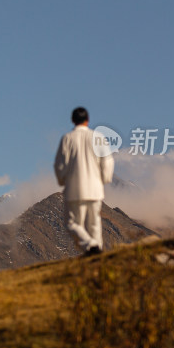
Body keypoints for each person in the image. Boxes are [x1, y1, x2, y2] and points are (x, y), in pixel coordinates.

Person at [54, 107, 114, 256]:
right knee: (94, 223)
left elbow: (59, 165)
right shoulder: (98, 137)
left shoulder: (68, 138)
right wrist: (104, 179)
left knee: (73, 224)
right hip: (95, 188)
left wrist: (62, 180)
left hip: (74, 189)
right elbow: (107, 162)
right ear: (87, 120)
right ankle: (97, 251)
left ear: (73, 120)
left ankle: (91, 246)